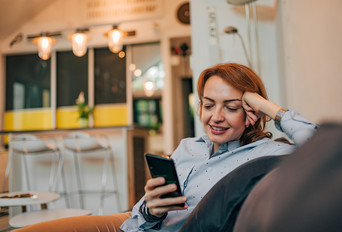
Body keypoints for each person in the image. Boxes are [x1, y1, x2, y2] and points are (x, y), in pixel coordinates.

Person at [14, 63, 317, 232]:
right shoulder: (188, 147)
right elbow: (141, 215)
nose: (216, 117)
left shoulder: (267, 153)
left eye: (232, 107)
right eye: (208, 105)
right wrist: (150, 208)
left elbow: (324, 147)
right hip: (134, 224)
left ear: (251, 113)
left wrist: (270, 108)